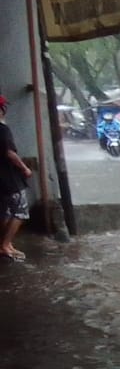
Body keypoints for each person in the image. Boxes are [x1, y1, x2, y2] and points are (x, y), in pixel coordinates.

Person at [1, 97, 35, 262]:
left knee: (5, 212)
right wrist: (25, 168)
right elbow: (9, 153)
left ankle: (5, 243)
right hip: (10, 179)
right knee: (20, 211)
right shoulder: (3, 129)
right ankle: (6, 245)